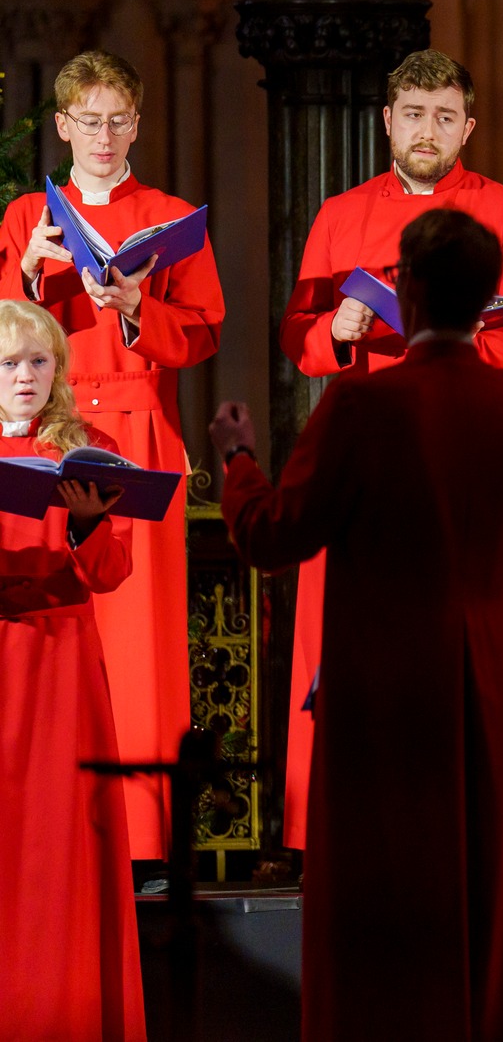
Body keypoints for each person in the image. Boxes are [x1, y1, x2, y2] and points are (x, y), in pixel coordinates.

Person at [216, 209, 503, 1042]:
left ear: (406, 290)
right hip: (484, 682)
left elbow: (273, 535)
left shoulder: (361, 399)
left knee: (377, 887)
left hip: (379, 685)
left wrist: (238, 460)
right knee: (478, 882)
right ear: (489, 297)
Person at [277, 49, 503, 850]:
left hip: (462, 445)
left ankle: (462, 809)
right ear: (386, 120)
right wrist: (336, 328)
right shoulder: (340, 213)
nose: (426, 130)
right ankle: (334, 819)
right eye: (412, 113)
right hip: (369, 443)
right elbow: (299, 333)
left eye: (443, 116)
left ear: (466, 125)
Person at [0, 50, 223, 862]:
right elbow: (5, 339)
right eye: (88, 120)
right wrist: (26, 276)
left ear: (138, 122)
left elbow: (202, 332)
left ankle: (141, 844)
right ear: (62, 125)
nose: (104, 135)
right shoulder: (28, 216)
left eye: (118, 119)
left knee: (141, 643)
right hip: (45, 433)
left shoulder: (166, 213)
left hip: (135, 425)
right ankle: (43, 826)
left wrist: (136, 307)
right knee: (47, 632)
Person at [0, 299, 144, 1039]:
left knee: (56, 847)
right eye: (8, 363)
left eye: (37, 361)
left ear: (57, 368)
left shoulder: (85, 446)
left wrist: (87, 522)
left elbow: (113, 569)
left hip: (57, 662)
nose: (25, 376)